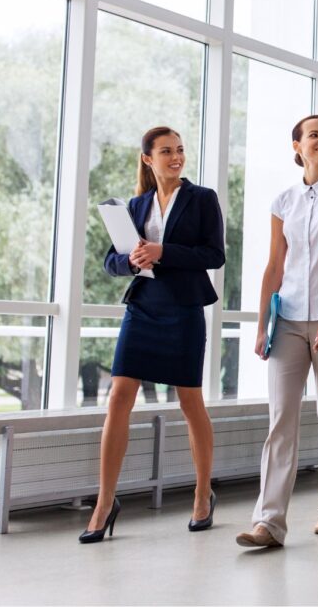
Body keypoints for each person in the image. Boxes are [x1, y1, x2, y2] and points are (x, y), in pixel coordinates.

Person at [81, 126, 225, 543]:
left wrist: (163, 252)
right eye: (166, 151)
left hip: (182, 309)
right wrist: (132, 259)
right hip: (143, 307)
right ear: (148, 159)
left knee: (189, 400)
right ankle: (105, 502)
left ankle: (202, 493)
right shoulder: (135, 204)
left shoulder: (202, 199)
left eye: (179, 150)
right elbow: (111, 261)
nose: (176, 157)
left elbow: (214, 254)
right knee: (118, 397)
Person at [236, 115, 318, 549]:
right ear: (297, 146)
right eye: (315, 135)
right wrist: (261, 325)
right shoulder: (283, 201)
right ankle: (268, 522)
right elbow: (275, 265)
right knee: (281, 420)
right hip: (287, 319)